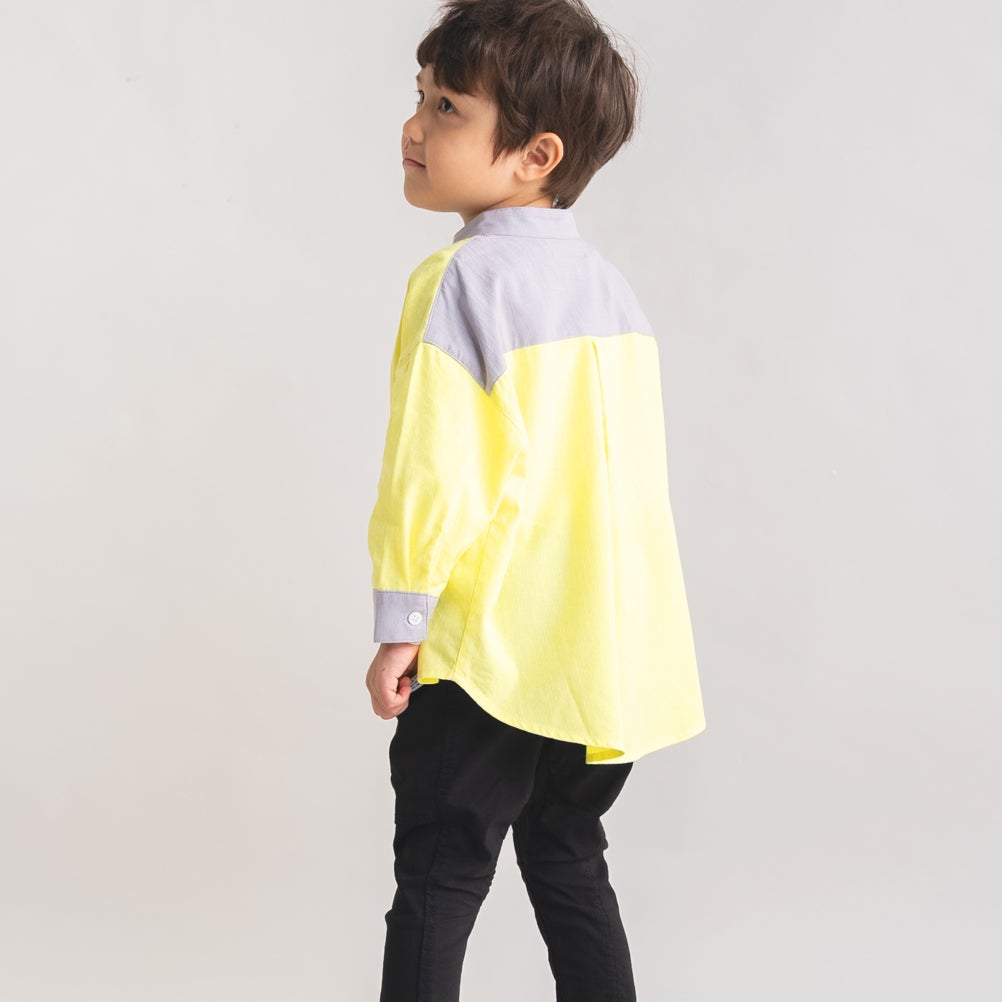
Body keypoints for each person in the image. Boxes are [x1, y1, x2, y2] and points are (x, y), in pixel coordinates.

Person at [364, 1, 707, 998]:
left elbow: (435, 471)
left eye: (448, 107)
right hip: (599, 659)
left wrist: (402, 624)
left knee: (439, 877)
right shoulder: (610, 291)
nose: (414, 125)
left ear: (535, 154)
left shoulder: (462, 282)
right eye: (421, 97)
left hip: (489, 655)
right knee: (568, 857)